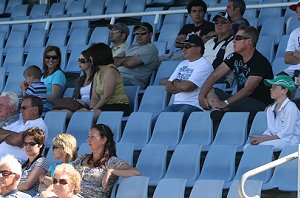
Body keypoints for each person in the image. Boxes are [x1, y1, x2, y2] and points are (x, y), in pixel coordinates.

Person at [198, 25, 273, 123]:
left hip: (258, 105)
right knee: (210, 90)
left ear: (249, 41)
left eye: (237, 38)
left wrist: (225, 103)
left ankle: (219, 110)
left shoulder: (260, 61)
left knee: (221, 102)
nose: (233, 41)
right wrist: (201, 96)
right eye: (234, 38)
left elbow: (248, 90)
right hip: (240, 101)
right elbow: (214, 75)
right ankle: (217, 110)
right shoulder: (234, 56)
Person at [155, 35, 213, 124]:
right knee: (154, 123)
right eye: (183, 46)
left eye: (187, 46)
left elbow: (187, 87)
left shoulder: (204, 65)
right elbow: (168, 87)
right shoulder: (183, 63)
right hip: (175, 105)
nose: (183, 49)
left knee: (170, 123)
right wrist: (179, 84)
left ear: (198, 49)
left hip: (194, 106)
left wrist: (174, 81)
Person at [73, 124, 140, 198]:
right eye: (88, 137)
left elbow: (136, 172)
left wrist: (111, 171)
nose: (88, 140)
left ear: (103, 140)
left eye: (92, 136)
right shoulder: (82, 157)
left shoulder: (111, 162)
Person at [249, 75, 300, 151]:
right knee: (248, 147)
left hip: (290, 141)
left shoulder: (291, 107)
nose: (270, 89)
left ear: (284, 91)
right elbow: (270, 131)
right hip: (277, 140)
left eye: (274, 87)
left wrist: (263, 140)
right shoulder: (270, 109)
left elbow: (286, 134)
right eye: (271, 87)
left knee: (261, 146)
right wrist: (260, 138)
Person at [81, 43, 130, 119]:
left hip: (118, 106)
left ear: (98, 56)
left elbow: (106, 96)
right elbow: (94, 97)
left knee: (89, 116)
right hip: (104, 106)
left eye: (92, 55)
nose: (90, 58)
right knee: (80, 113)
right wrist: (91, 109)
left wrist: (93, 111)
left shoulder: (111, 71)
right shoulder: (97, 73)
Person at [0, 95, 48, 161]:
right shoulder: (19, 122)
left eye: (24, 108)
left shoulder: (39, 125)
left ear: (35, 110)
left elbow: (16, 141)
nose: (21, 110)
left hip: (16, 162)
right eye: (21, 108)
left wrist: (7, 137)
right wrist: (15, 134)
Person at [114, 22, 159, 89]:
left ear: (150, 34)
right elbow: (113, 61)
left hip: (133, 81)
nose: (139, 36)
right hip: (119, 76)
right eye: (137, 34)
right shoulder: (130, 47)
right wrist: (126, 59)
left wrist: (121, 59)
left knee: (107, 80)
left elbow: (130, 63)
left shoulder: (150, 49)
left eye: (143, 33)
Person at [52, 49, 96, 118]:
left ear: (90, 62)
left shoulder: (96, 77)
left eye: (82, 61)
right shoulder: (80, 79)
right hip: (78, 106)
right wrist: (77, 100)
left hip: (88, 107)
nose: (79, 63)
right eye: (79, 61)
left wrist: (87, 104)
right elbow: (75, 96)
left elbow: (97, 97)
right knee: (52, 113)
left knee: (64, 114)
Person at [18, 128, 49, 197]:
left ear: (40, 145)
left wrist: (9, 188)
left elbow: (26, 185)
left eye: (32, 144)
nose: (28, 146)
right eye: (25, 144)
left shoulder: (41, 161)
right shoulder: (23, 163)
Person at [41, 46, 66, 111]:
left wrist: (37, 94)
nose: (51, 59)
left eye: (54, 57)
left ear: (58, 60)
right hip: (38, 106)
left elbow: (54, 98)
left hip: (46, 108)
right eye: (48, 57)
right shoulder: (43, 75)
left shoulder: (58, 74)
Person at [283, 2, 300, 83]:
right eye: (297, 12)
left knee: (296, 78)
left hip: (297, 71)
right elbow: (287, 58)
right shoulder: (295, 33)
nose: (298, 15)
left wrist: (296, 54)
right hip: (293, 69)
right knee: (277, 83)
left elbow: (291, 55)